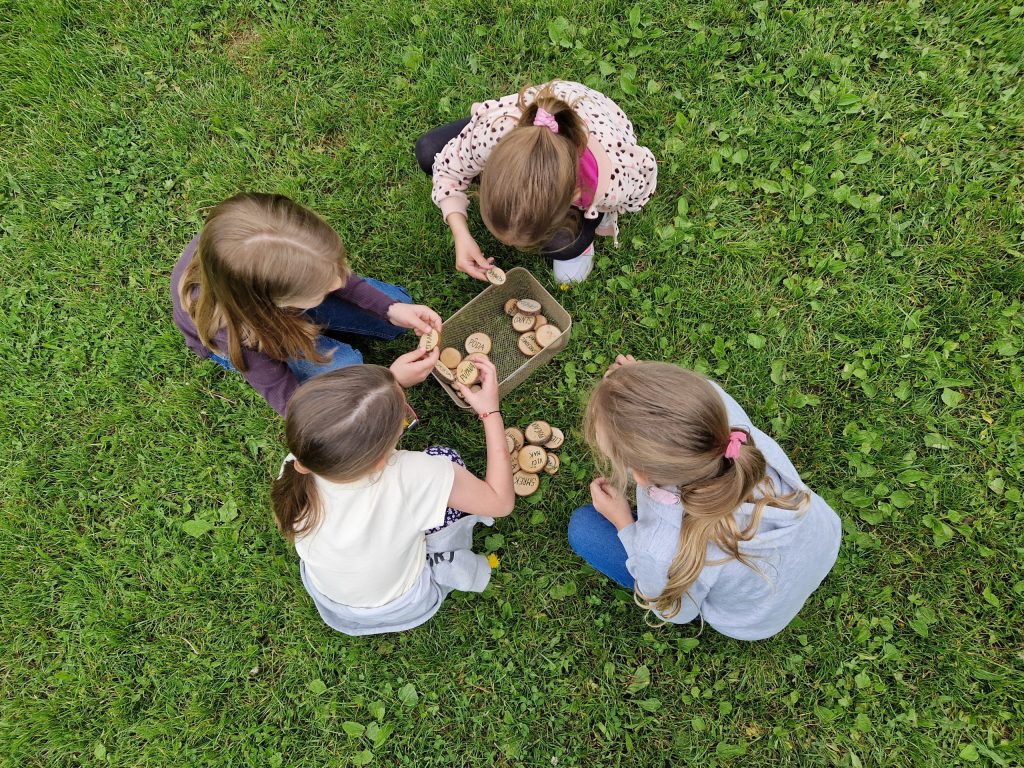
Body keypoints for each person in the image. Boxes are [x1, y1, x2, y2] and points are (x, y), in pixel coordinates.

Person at [568, 356, 841, 640]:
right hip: (820, 543)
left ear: (640, 475)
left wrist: (623, 522)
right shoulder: (724, 422)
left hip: (753, 619)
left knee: (584, 528)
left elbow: (674, 609)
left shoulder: (660, 549)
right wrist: (639, 388)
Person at [271, 360, 515, 635]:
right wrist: (490, 411)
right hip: (405, 602)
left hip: (335, 599)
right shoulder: (413, 476)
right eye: (401, 420)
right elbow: (500, 501)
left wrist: (388, 384)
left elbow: (345, 425)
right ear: (378, 461)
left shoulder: (301, 461)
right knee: (446, 457)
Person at [171, 193, 441, 416]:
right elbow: (295, 408)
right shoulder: (239, 337)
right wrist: (389, 382)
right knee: (348, 366)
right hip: (258, 333)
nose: (340, 282)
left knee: (399, 304)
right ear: (275, 301)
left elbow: (334, 279)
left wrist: (389, 309)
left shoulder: (273, 249)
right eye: (325, 285)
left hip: (278, 302)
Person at [415, 80, 657, 283]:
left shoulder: (614, 181)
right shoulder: (495, 132)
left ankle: (583, 238)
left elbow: (643, 185)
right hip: (526, 118)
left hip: (598, 121)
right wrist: (461, 233)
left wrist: (600, 207)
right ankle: (472, 148)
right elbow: (448, 170)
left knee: (565, 243)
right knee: (428, 152)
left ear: (570, 199)